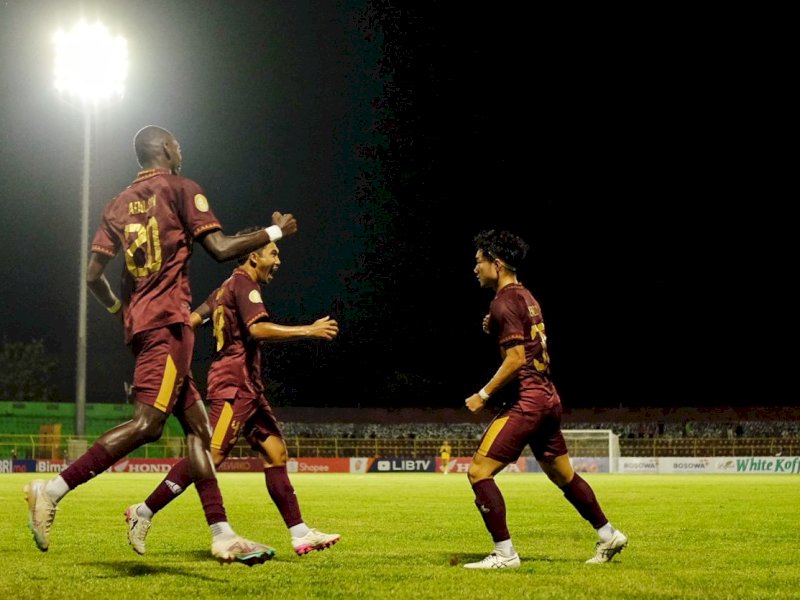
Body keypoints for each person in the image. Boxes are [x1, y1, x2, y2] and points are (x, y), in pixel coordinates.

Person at [24, 125, 297, 565]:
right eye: (178, 144)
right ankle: (51, 490)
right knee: (148, 424)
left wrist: (120, 311)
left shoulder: (116, 204)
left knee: (199, 433)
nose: (181, 150)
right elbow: (222, 248)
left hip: (145, 326)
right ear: (167, 149)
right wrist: (274, 232)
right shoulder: (181, 188)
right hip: (168, 325)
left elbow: (93, 276)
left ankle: (221, 533)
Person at [124, 232, 341, 558]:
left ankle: (299, 533)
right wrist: (307, 329)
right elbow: (257, 329)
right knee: (209, 458)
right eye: (273, 253)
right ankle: (143, 511)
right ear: (253, 256)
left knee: (275, 453)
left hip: (248, 388)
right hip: (233, 386)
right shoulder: (244, 284)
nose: (278, 261)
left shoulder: (224, 288)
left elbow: (193, 319)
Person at [462, 229, 628, 569]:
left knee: (479, 472)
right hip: (549, 398)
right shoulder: (525, 296)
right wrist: (492, 323)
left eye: (479, 262)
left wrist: (483, 395)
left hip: (528, 400)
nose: (475, 268)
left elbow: (515, 359)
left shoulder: (503, 301)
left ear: (497, 263)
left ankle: (505, 555)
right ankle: (608, 533)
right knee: (562, 475)